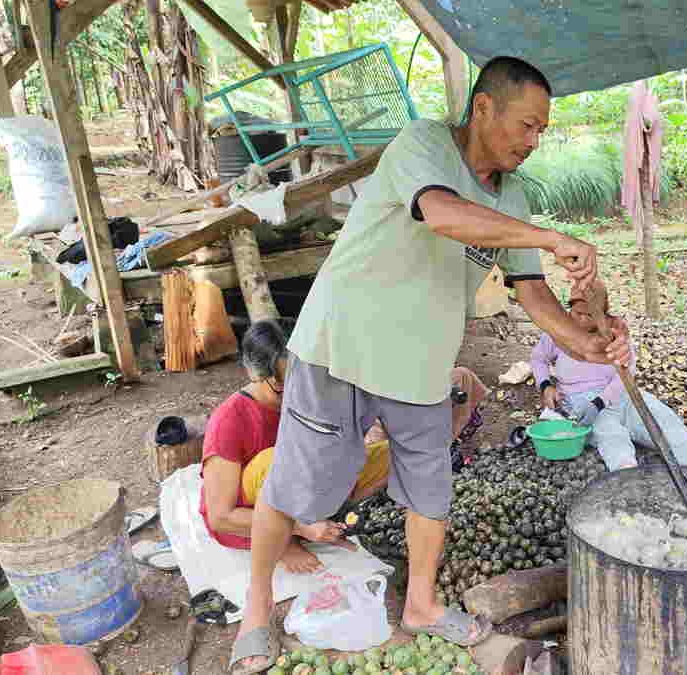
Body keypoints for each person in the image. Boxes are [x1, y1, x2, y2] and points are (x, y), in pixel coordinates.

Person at [229, 56, 630, 675]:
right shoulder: (424, 144)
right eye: (527, 124)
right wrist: (551, 237)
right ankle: (256, 611)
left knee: (429, 491)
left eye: (542, 130)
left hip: (420, 363)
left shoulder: (514, 195)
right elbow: (439, 213)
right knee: (296, 484)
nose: (534, 141)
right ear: (484, 107)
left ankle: (419, 604)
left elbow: (531, 293)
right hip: (344, 347)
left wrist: (587, 343)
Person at [199, 321, 489, 575]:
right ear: (260, 377)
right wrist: (297, 528)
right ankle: (281, 539)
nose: (302, 390)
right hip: (254, 512)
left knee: (399, 453)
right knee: (279, 458)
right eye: (287, 385)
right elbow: (221, 517)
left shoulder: (316, 390)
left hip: (308, 491)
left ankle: (318, 515)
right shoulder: (230, 420)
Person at [530, 289, 687, 473]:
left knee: (665, 421)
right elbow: (538, 359)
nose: (582, 320)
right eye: (578, 313)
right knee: (610, 435)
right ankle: (627, 480)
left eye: (589, 315)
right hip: (581, 400)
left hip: (624, 394)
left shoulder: (616, 332)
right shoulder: (560, 332)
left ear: (602, 314)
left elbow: (626, 371)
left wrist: (600, 402)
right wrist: (545, 385)